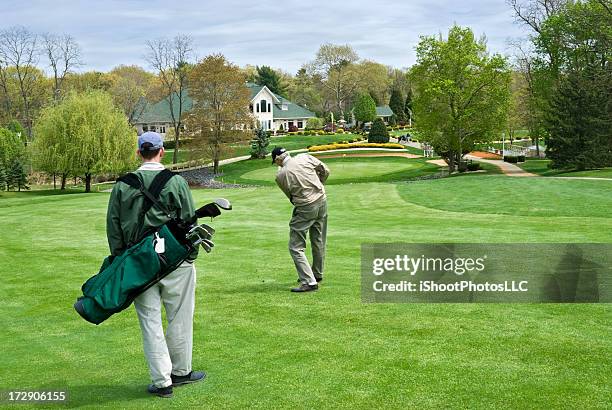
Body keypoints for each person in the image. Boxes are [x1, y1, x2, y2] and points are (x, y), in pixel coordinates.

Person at [106, 132, 205, 398]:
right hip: (175, 260)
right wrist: (190, 256)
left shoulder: (122, 185)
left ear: (139, 152)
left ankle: (162, 382)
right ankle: (181, 372)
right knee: (180, 317)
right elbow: (189, 220)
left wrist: (120, 260)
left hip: (138, 262)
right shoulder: (176, 182)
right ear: (161, 151)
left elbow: (114, 228)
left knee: (150, 321)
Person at [272, 147, 330, 293]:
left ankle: (309, 281)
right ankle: (317, 273)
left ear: (278, 159)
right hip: (322, 200)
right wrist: (319, 185)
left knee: (295, 246)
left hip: (305, 206)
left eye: (275, 162)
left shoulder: (281, 175)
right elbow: (325, 170)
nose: (276, 164)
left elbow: (290, 196)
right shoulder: (305, 157)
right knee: (318, 239)